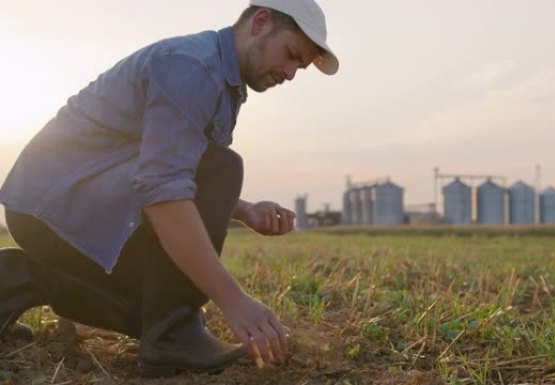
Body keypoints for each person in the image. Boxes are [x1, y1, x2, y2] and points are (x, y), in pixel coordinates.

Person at [0, 0, 338, 377]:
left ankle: (15, 279)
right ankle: (173, 336)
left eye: (300, 66)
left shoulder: (220, 76)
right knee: (223, 168)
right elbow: (164, 191)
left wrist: (243, 210)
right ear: (260, 23)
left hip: (63, 205)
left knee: (154, 306)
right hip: (52, 207)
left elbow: (167, 170)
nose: (291, 73)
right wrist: (234, 300)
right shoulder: (193, 68)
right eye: (291, 55)